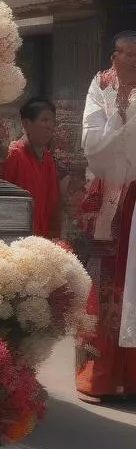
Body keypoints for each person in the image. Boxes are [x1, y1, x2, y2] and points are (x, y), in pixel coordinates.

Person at [75, 31, 136, 400]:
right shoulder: (101, 85)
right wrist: (124, 119)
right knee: (104, 286)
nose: (127, 60)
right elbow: (92, 143)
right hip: (110, 200)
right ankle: (99, 376)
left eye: (134, 54)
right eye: (121, 53)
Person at [0, 97, 61, 238]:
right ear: (26, 123)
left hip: (42, 239)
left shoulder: (47, 158)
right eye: (44, 120)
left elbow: (53, 204)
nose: (50, 126)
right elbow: (4, 206)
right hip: (19, 239)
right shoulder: (15, 155)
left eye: (53, 121)